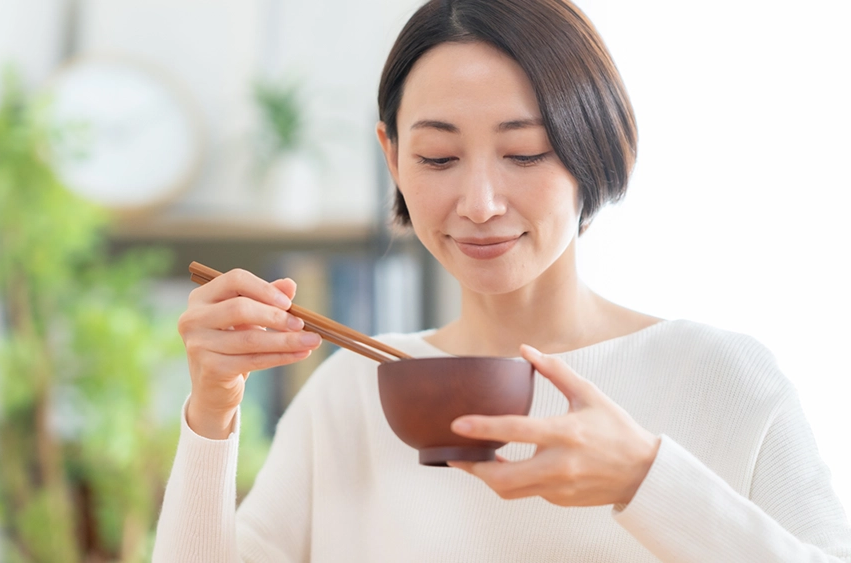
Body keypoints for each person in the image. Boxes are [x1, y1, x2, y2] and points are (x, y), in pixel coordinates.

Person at [152, 0, 851, 561]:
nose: (480, 202)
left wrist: (647, 479)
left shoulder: (722, 379)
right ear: (391, 158)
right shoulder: (349, 396)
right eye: (437, 157)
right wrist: (212, 414)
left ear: (595, 144)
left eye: (525, 151)